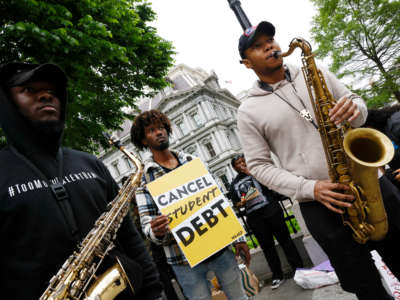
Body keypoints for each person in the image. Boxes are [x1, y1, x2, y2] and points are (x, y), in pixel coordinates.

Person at [235, 21, 400, 300]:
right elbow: (259, 166)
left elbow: (356, 103)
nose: (270, 47)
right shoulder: (248, 111)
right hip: (321, 203)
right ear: (246, 62)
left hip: (369, 181)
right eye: (258, 46)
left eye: (271, 40)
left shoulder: (317, 71)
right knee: (365, 287)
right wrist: (310, 188)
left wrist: (354, 109)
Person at [0, 62, 163, 300]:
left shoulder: (91, 163)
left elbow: (129, 237)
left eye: (52, 92)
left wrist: (154, 293)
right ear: (7, 103)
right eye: (29, 90)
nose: (46, 95)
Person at [132, 109, 251, 300]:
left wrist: (239, 238)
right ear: (144, 140)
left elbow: (220, 200)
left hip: (220, 249)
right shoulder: (145, 178)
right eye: (152, 130)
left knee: (239, 297)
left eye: (162, 127)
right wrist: (157, 231)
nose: (159, 132)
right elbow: (147, 225)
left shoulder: (192, 162)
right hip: (183, 260)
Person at [229, 153, 304, 289]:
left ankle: (299, 269)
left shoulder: (258, 171)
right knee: (267, 248)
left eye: (242, 162)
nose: (241, 165)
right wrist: (240, 203)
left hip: (271, 210)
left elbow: (270, 183)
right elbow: (236, 204)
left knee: (285, 240)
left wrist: (251, 173)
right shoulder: (234, 184)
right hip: (255, 218)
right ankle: (277, 275)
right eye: (237, 164)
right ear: (234, 168)